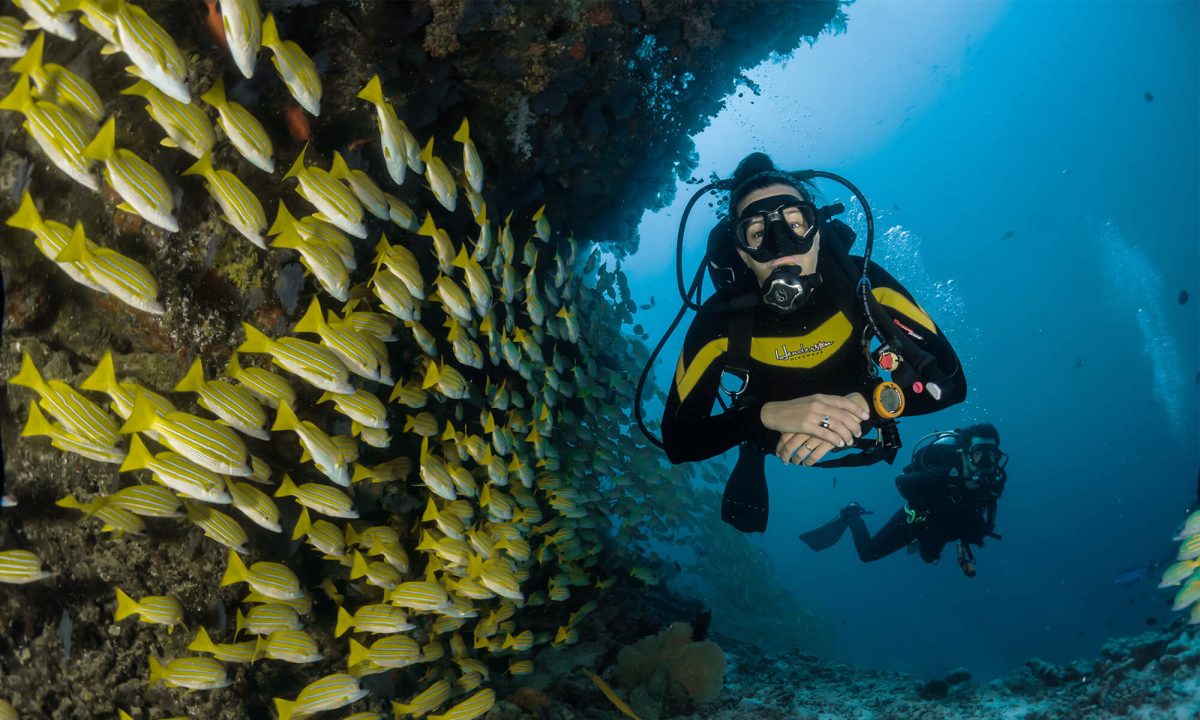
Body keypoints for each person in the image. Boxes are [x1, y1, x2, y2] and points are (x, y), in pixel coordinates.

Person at [658, 152, 966, 531]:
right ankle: (752, 447)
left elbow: (951, 382)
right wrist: (762, 417)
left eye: (795, 224)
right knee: (752, 435)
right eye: (756, 233)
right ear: (741, 252)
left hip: (864, 409)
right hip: (768, 431)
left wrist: (869, 404)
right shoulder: (719, 321)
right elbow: (679, 441)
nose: (780, 245)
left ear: (818, 231)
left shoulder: (865, 285)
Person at [799, 424, 1007, 576]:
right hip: (917, 521)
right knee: (867, 554)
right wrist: (936, 487)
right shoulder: (943, 472)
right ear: (966, 454)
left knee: (930, 559)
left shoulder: (994, 482)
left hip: (948, 527)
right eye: (980, 454)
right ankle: (852, 514)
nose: (987, 463)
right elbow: (901, 482)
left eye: (992, 456)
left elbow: (985, 515)